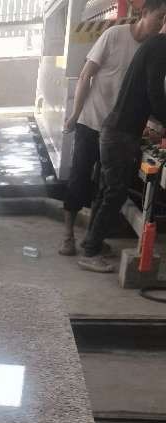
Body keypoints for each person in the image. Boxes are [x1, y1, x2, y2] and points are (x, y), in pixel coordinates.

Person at [60, 0, 166, 257]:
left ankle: (92, 240)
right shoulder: (115, 35)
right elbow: (86, 75)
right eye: (159, 17)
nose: (161, 23)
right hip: (92, 121)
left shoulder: (151, 48)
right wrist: (75, 114)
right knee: (79, 179)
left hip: (117, 127)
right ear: (144, 12)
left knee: (105, 186)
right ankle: (68, 236)